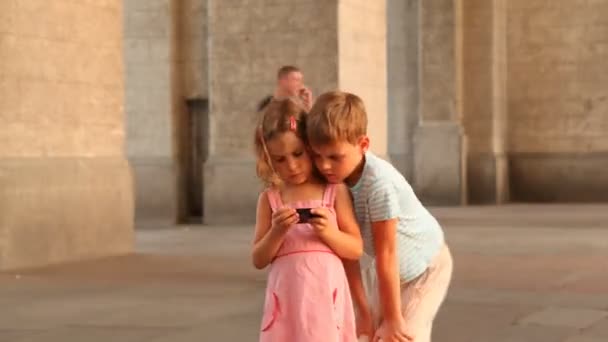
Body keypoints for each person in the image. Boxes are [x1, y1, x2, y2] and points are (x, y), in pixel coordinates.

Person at [306, 91, 453, 342]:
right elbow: (348, 253)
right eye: (317, 156)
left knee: (403, 337)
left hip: (425, 267)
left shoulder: (379, 185)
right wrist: (363, 311)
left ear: (363, 145)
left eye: (334, 157)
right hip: (389, 271)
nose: (324, 166)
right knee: (368, 334)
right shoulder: (335, 183)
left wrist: (394, 319)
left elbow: (387, 253)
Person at [251, 98, 363, 341]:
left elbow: (355, 249)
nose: (291, 165)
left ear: (311, 146)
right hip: (286, 300)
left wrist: (329, 234)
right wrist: (276, 232)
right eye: (279, 159)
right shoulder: (269, 199)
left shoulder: (334, 191)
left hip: (325, 295)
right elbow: (258, 259)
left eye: (298, 153)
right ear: (268, 158)